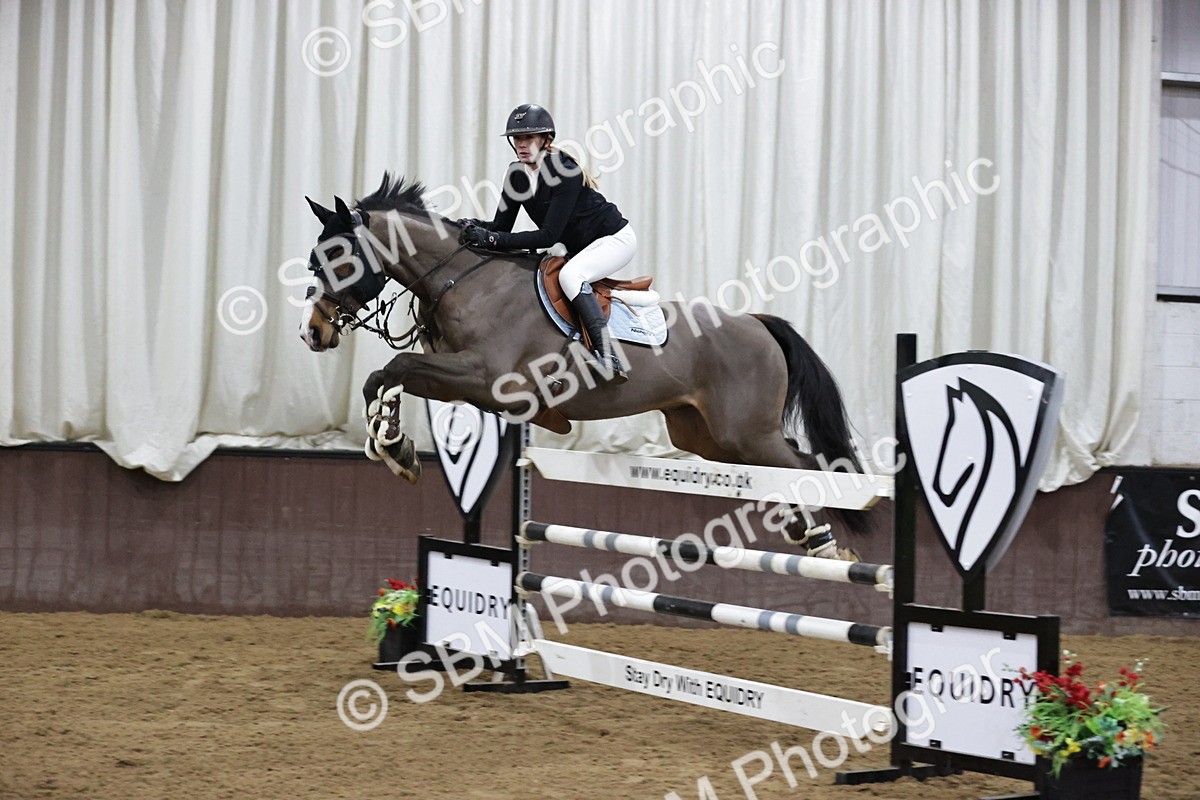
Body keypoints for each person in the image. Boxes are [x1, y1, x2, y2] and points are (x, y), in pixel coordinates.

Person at [459, 104, 635, 384]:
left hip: (614, 240)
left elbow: (547, 237)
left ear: (546, 140)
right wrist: (470, 227)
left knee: (570, 276)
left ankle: (608, 355)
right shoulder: (516, 174)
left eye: (528, 138)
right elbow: (501, 227)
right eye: (517, 139)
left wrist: (492, 238)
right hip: (580, 247)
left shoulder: (565, 171)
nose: (521, 145)